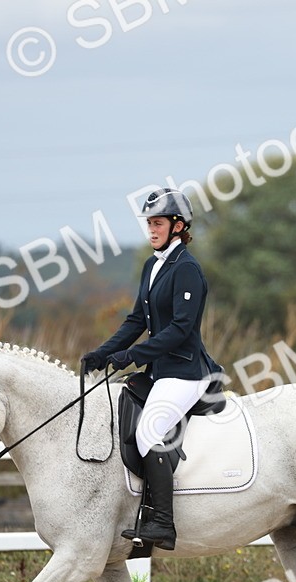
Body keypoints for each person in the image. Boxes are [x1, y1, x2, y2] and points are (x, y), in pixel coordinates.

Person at [81, 188, 224, 552]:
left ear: (178, 226)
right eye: (149, 223)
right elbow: (136, 320)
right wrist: (103, 352)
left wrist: (132, 356)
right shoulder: (153, 265)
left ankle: (162, 522)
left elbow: (180, 329)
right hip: (161, 370)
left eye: (158, 223)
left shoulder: (187, 269)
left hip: (186, 371)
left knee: (148, 433)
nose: (152, 229)